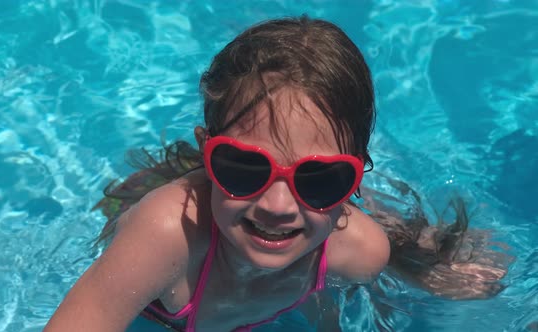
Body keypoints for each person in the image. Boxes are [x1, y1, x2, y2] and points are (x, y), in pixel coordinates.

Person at [46, 16, 511, 332]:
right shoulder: (168, 235)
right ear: (210, 153)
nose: (277, 204)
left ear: (356, 180)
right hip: (156, 212)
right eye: (243, 165)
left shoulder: (359, 253)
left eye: (322, 178)